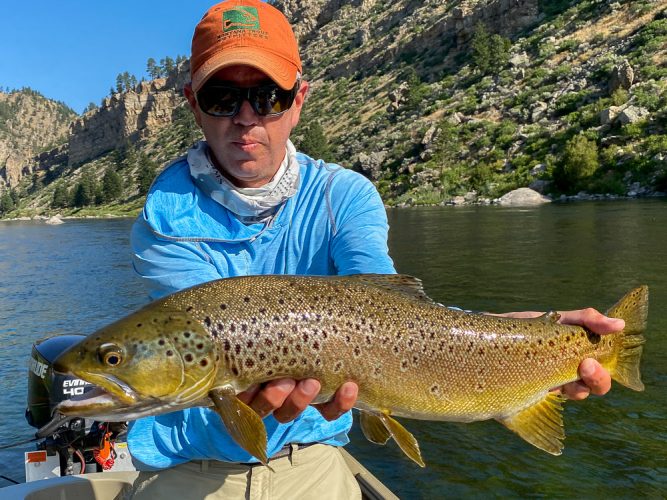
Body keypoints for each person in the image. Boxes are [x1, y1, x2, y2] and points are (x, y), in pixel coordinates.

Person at [127, 0, 620, 497]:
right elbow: (209, 342)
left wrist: (508, 340)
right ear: (193, 102)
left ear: (298, 101)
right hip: (188, 464)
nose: (246, 117)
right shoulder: (163, 218)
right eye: (222, 97)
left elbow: (390, 314)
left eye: (267, 96)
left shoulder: (346, 196)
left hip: (313, 459)